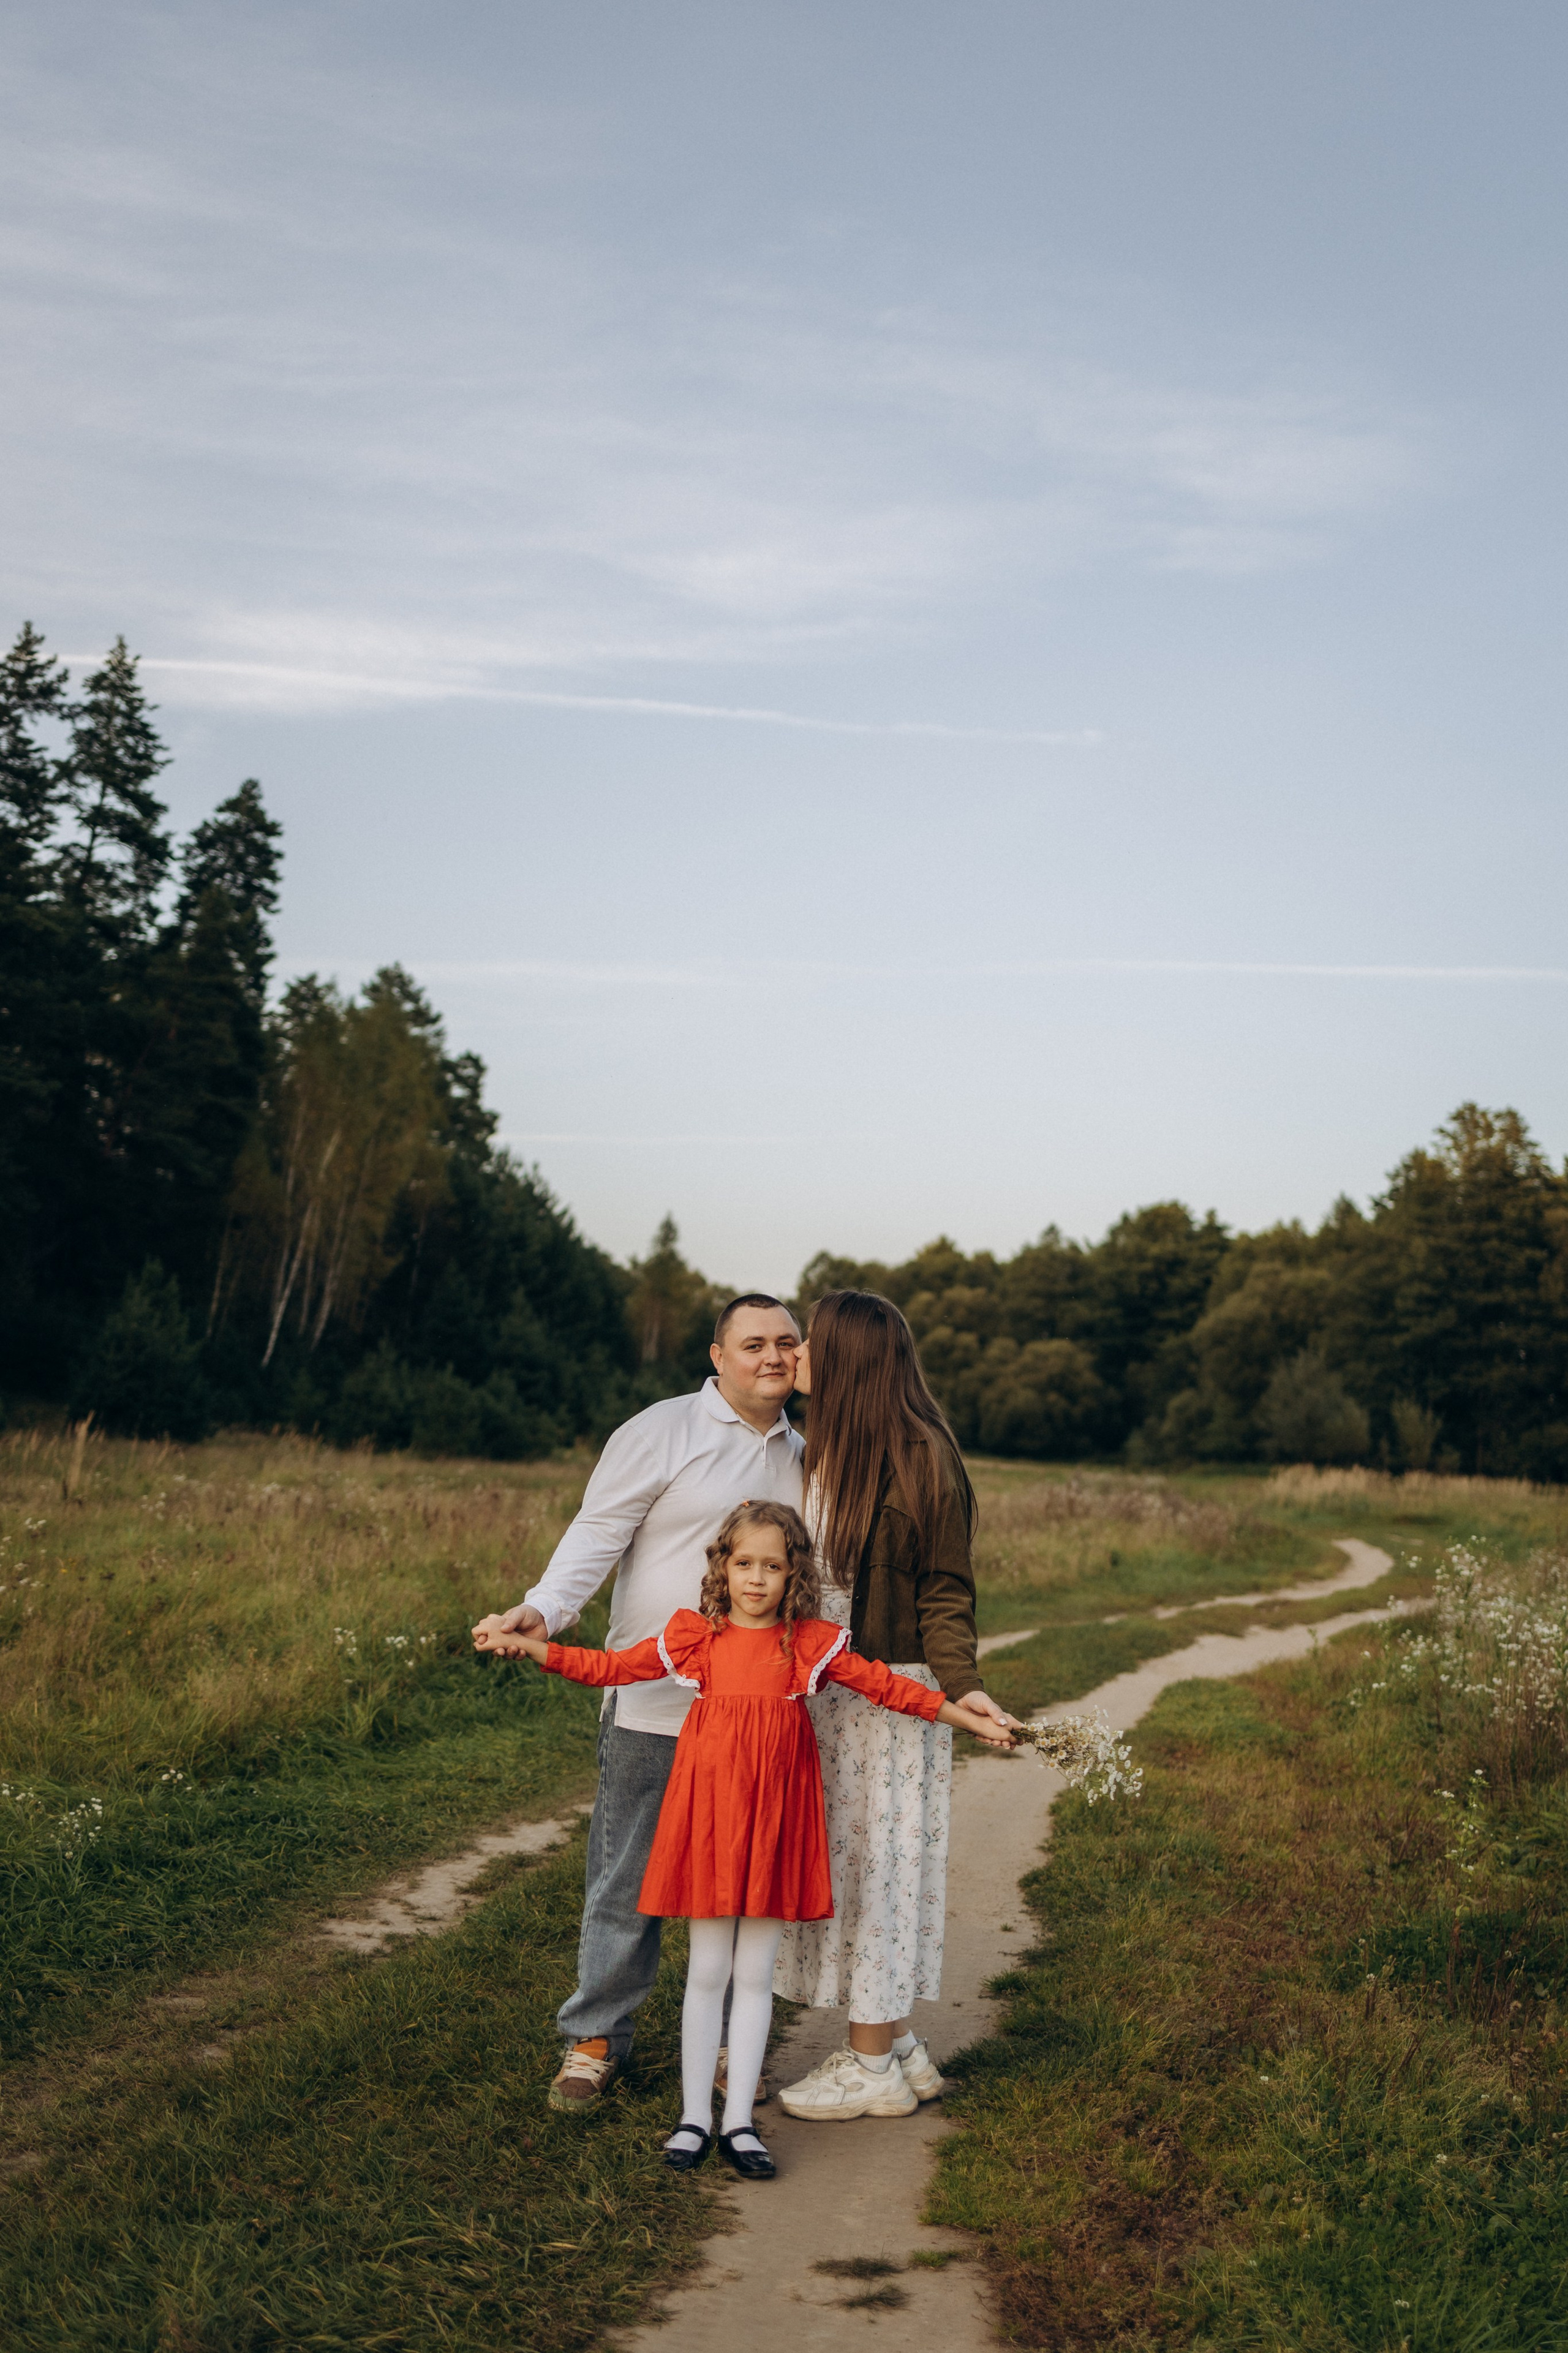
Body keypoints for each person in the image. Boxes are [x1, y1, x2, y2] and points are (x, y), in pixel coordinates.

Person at [488, 1500, 1011, 2177]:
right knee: (707, 1971)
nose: (757, 1578)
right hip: (710, 1821)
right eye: (743, 1563)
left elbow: (886, 1687)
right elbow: (614, 1669)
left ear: (794, 1573)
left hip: (775, 1825)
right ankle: (692, 2118)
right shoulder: (695, 1640)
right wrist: (537, 1648)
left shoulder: (810, 1645)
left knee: (754, 1974)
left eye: (773, 1565)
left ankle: (738, 2122)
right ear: (722, 1568)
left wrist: (964, 1716)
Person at [470, 1295, 804, 2117]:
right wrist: (543, 1610)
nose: (772, 1355)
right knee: (630, 1875)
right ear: (717, 1355)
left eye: (787, 1342)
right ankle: (595, 2038)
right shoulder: (660, 1431)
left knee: (741, 1885)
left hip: (759, 1716)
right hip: (654, 1702)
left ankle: (733, 2047)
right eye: (753, 1342)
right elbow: (597, 1533)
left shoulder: (811, 1452)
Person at [774, 1289, 1017, 2120]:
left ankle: (870, 2065)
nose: (794, 1355)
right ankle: (897, 2040)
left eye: (809, 1343)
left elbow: (946, 1587)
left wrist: (966, 1686)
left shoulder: (919, 1455)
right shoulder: (824, 1449)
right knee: (853, 1864)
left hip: (885, 1694)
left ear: (847, 1358)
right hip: (830, 1695)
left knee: (878, 1869)